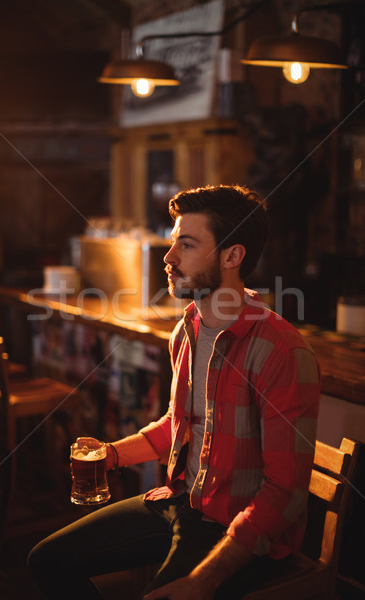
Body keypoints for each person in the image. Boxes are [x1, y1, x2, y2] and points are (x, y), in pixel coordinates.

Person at [28, 184, 320, 600]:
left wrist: (203, 581)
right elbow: (176, 426)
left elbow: (285, 495)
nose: (168, 258)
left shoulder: (282, 351)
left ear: (232, 256)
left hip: (238, 529)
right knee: (46, 560)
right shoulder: (187, 329)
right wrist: (112, 454)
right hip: (181, 501)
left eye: (186, 244)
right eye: (172, 243)